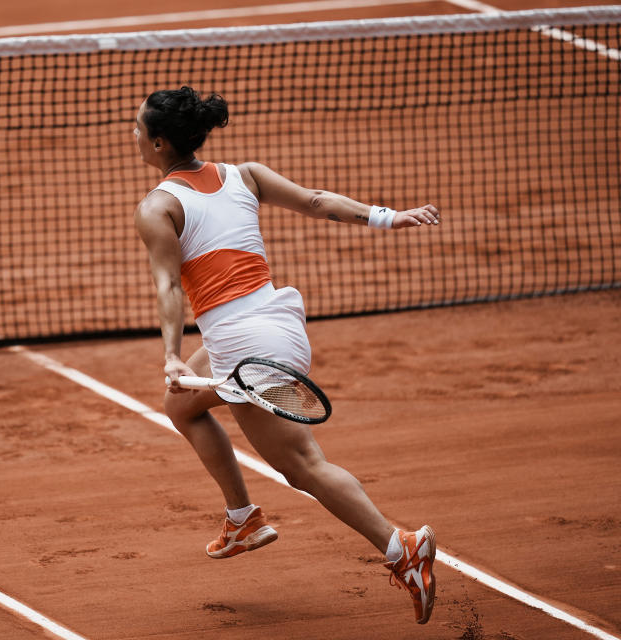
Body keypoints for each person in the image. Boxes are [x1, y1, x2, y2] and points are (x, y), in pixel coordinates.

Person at [133, 86, 441, 625]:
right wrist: (389, 216)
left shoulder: (158, 207)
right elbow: (318, 202)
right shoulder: (245, 174)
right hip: (278, 327)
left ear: (158, 143)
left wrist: (171, 356)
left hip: (245, 350)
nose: (133, 136)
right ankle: (242, 518)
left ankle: (401, 547)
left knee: (303, 466)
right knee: (181, 407)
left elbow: (167, 288)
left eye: (138, 130)